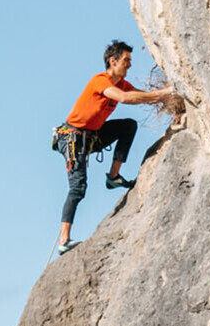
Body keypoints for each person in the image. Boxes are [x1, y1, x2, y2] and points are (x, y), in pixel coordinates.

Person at [54, 40, 183, 258]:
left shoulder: (122, 84)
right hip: (73, 139)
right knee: (78, 188)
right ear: (113, 61)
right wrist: (165, 91)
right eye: (126, 60)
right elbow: (124, 98)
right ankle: (64, 240)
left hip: (93, 136)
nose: (130, 65)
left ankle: (113, 176)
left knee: (128, 126)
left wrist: (172, 103)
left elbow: (139, 96)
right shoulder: (100, 81)